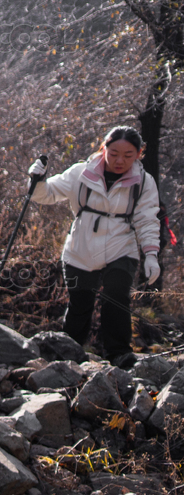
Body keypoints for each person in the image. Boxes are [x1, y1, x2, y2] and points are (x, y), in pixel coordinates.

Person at [28, 125, 161, 368]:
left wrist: (151, 254)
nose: (120, 161)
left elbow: (147, 219)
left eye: (128, 155)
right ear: (103, 149)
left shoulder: (143, 182)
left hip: (122, 248)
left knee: (116, 296)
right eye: (114, 153)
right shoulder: (80, 173)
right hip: (81, 250)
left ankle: (119, 354)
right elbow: (45, 194)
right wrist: (37, 179)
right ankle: (70, 355)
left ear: (139, 154)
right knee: (80, 304)